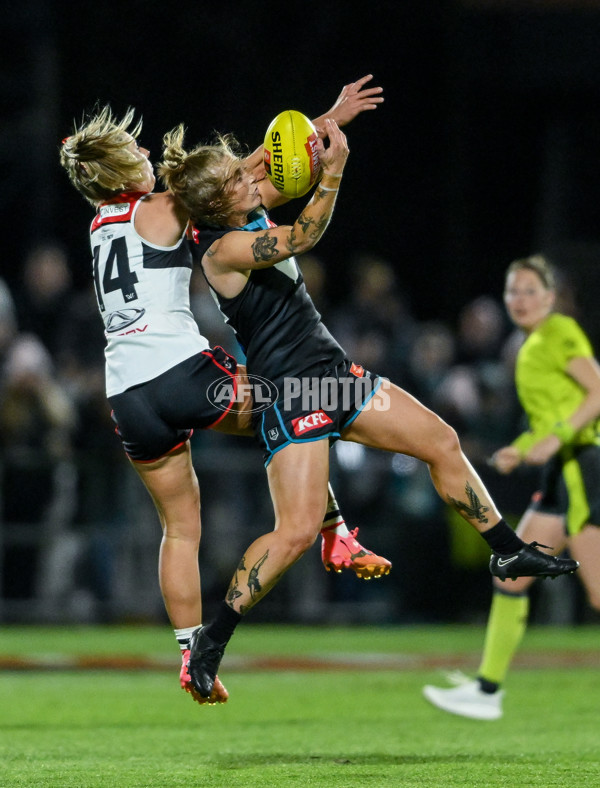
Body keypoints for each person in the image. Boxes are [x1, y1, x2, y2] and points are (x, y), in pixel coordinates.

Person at [159, 125, 579, 701]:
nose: (251, 175)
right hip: (294, 392)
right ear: (218, 202)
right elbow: (304, 233)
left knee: (440, 440)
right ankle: (212, 641)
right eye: (236, 177)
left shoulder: (240, 207)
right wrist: (333, 171)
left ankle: (505, 548)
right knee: (295, 533)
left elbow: (282, 162)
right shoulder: (222, 247)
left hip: (335, 377)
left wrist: (329, 120)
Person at [58, 76, 390, 705]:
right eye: (136, 150)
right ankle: (333, 531)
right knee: (298, 398)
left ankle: (190, 656)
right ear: (122, 168)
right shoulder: (163, 205)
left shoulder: (102, 226)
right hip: (183, 374)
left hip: (127, 396)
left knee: (180, 530)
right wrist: (328, 119)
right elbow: (241, 174)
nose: (148, 154)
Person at [423, 254, 600, 720]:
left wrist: (553, 441)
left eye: (530, 291)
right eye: (512, 291)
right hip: (561, 469)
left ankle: (486, 690)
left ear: (551, 297)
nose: (519, 300)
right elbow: (548, 416)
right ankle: (487, 690)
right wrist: (522, 449)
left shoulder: (560, 333)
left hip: (582, 466)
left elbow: (597, 394)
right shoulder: (531, 345)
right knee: (514, 570)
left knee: (598, 592)